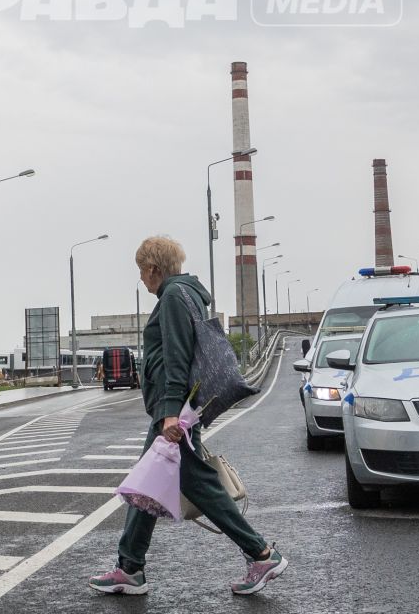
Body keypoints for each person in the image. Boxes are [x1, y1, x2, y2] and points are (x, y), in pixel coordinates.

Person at [91, 235, 286, 599]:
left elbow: (177, 359)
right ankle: (129, 568)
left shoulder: (172, 299)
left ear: (153, 269)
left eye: (141, 271)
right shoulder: (189, 294)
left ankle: (261, 553)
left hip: (175, 414)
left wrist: (168, 415)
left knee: (197, 488)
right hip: (181, 410)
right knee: (146, 486)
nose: (141, 278)